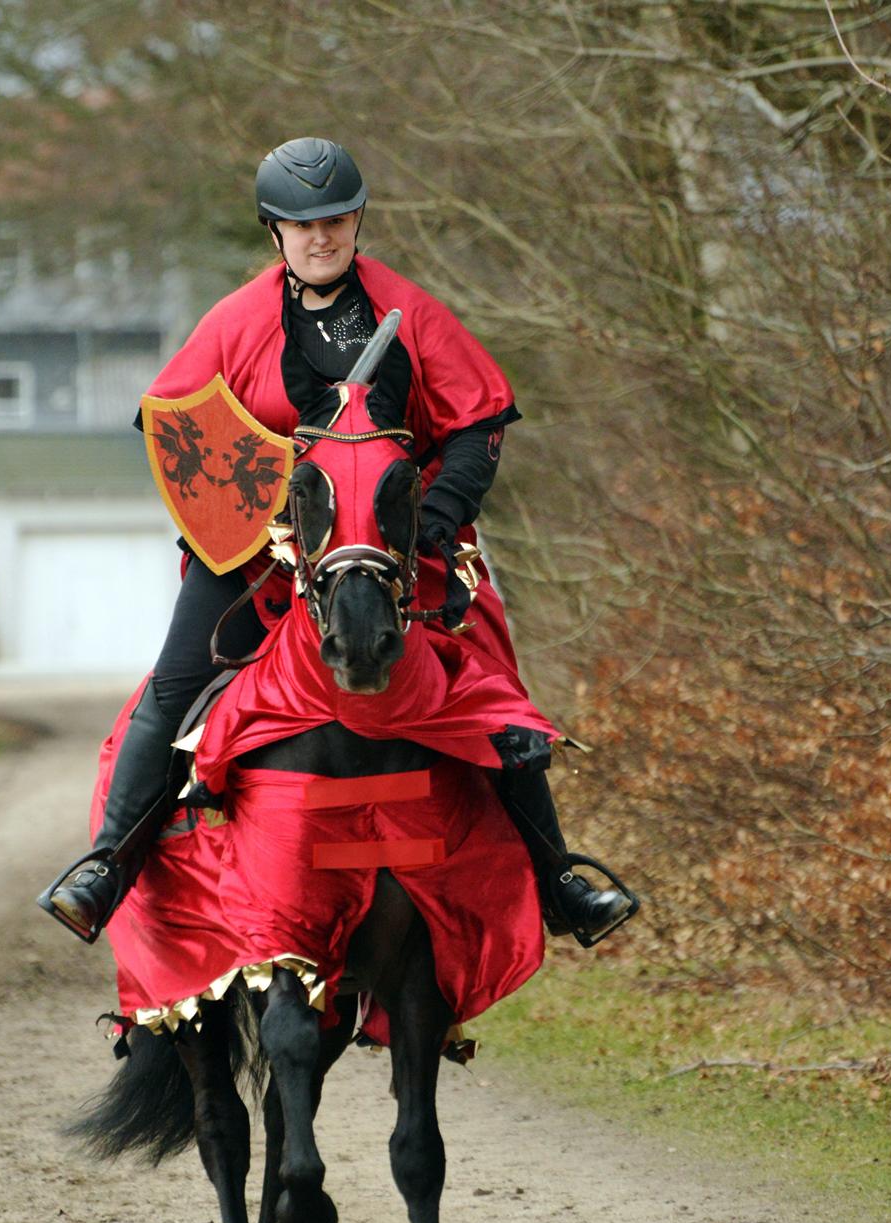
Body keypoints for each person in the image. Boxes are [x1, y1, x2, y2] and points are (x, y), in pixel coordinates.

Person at [39, 137, 632, 944]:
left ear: (358, 221)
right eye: (302, 223)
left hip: (397, 547)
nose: (322, 236)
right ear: (273, 231)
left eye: (338, 219)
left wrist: (434, 519)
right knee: (173, 689)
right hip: (268, 556)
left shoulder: (408, 311)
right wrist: (243, 519)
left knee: (496, 691)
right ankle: (107, 867)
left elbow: (479, 422)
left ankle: (560, 882)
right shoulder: (239, 321)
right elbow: (177, 429)